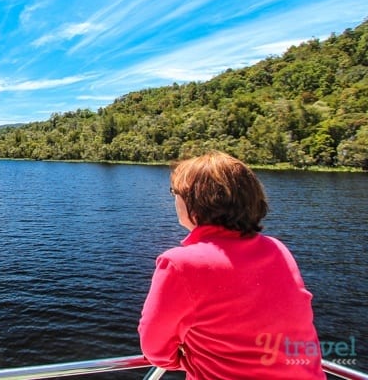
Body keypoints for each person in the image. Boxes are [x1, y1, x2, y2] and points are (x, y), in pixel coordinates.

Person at [138, 151, 325, 379]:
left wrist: (187, 362)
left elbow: (154, 347)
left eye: (175, 193)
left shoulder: (179, 264)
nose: (174, 199)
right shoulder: (277, 249)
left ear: (196, 202)